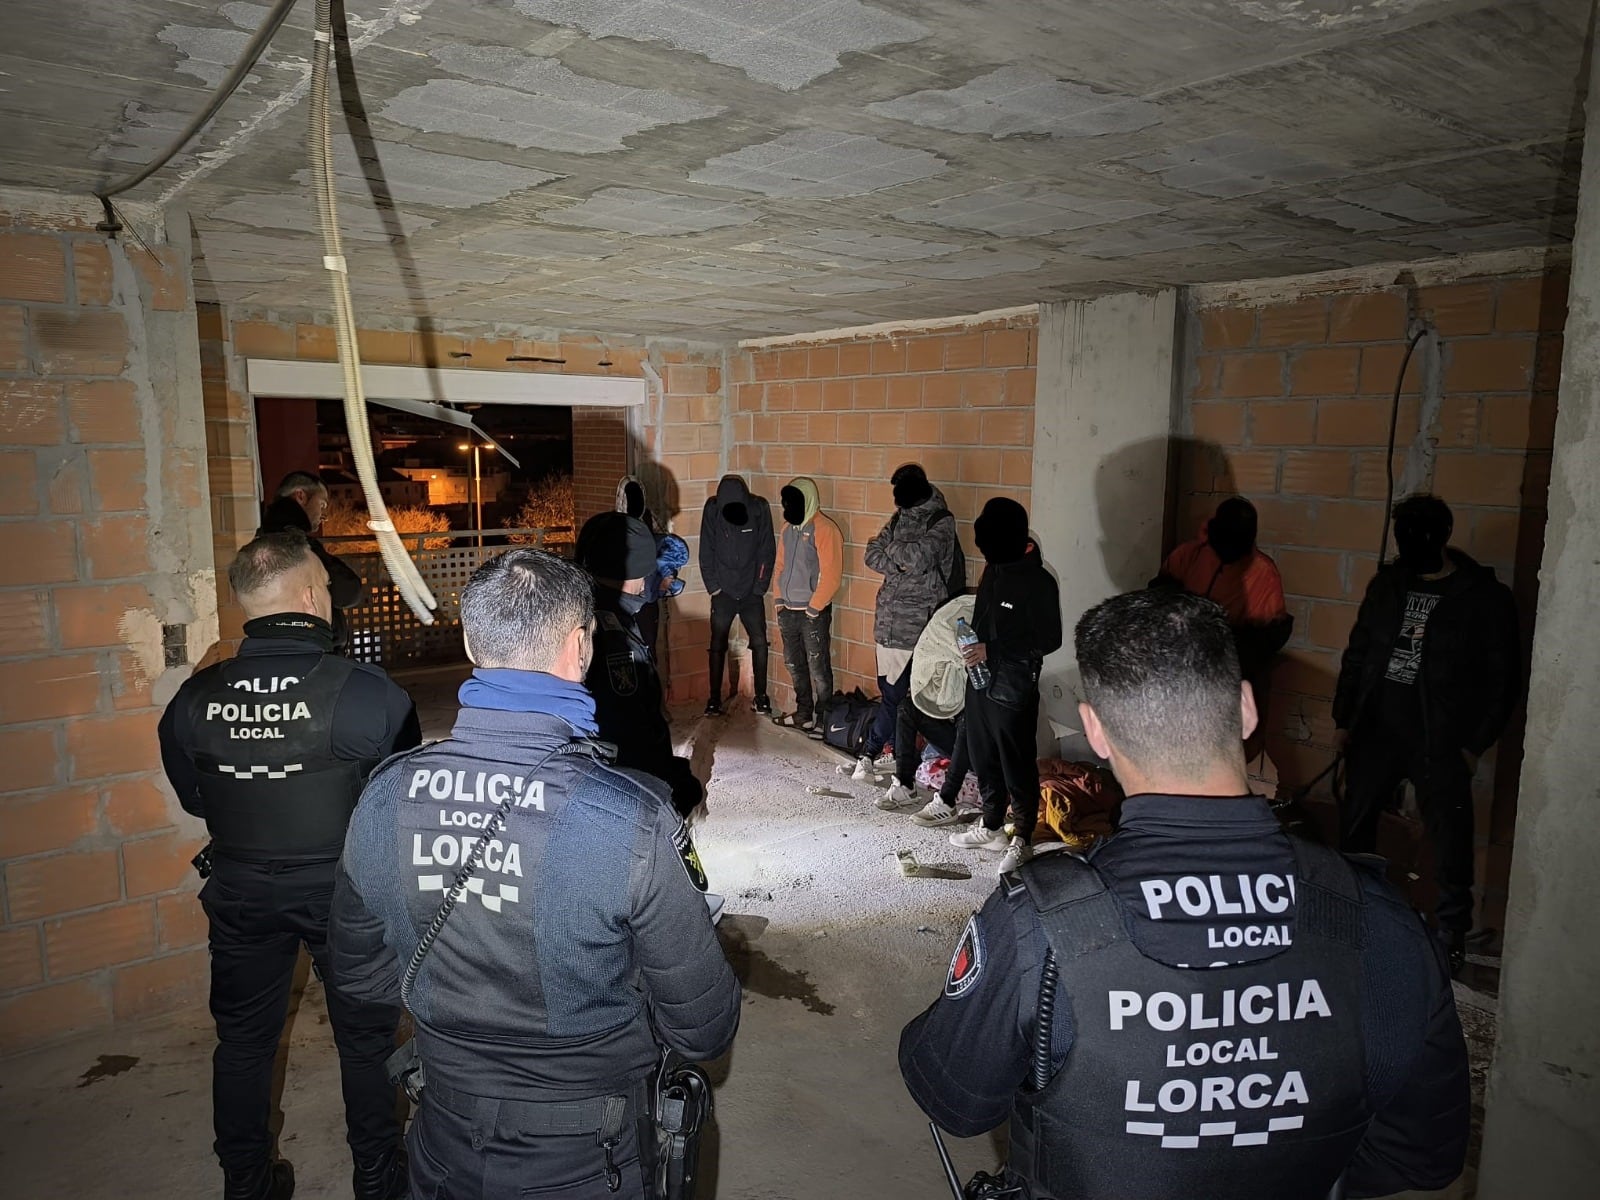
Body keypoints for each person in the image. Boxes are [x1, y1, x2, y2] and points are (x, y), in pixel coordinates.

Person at [901, 589, 1470, 1200]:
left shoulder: (1039, 921)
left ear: (1094, 730)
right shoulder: (1381, 922)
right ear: (1247, 710)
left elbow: (956, 1101)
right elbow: (1425, 1156)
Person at [329, 549, 741, 1199]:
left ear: (470, 641)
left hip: (441, 1146)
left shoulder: (386, 797)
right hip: (590, 1162)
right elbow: (704, 1026)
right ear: (580, 646)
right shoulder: (630, 818)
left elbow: (359, 977)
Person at [157, 530, 420, 1200]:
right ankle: (378, 1177)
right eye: (327, 588)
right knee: (365, 1043)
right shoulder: (367, 694)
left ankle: (246, 1185)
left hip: (240, 888)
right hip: (347, 896)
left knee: (243, 1043)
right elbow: (399, 801)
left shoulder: (193, 699)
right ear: (308, 595)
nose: (330, 598)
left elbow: (196, 798)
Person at [1333, 494, 1520, 970]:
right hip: (1377, 726)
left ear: (1441, 536)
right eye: (1403, 534)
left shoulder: (1482, 597)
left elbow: (1503, 680)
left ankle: (1451, 936)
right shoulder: (1389, 584)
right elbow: (1358, 652)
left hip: (1440, 735)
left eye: (1419, 534)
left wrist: (1473, 745)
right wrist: (1343, 719)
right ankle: (1352, 920)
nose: (1409, 543)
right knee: (1356, 824)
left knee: (1450, 836)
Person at [947, 498, 1061, 875]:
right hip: (979, 680)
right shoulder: (994, 571)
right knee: (983, 755)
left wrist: (992, 650)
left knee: (1016, 761)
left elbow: (1049, 638)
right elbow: (984, 620)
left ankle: (1023, 838)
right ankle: (993, 825)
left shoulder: (1040, 581)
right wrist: (969, 642)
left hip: (1013, 686)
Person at [577, 511, 705, 819]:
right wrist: (672, 787)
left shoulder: (581, 610)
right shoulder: (614, 638)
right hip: (624, 805)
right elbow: (629, 733)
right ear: (639, 571)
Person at [1155, 497, 1292, 757]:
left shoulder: (1263, 573)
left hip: (1225, 676)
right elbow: (1160, 602)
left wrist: (1222, 653)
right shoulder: (1189, 555)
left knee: (1219, 752)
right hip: (1180, 670)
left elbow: (1266, 639)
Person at [861, 463, 961, 778]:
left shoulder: (941, 521)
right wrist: (901, 561)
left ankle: (872, 750)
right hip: (887, 620)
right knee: (887, 688)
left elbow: (921, 558)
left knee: (899, 696)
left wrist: (896, 554)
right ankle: (890, 748)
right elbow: (870, 554)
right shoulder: (899, 517)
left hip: (917, 624)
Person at [260, 470, 365, 652]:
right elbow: (348, 591)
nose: (323, 514)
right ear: (301, 496)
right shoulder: (296, 542)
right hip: (314, 651)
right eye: (322, 504)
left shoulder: (265, 537)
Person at [772, 476, 844, 738]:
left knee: (818, 668)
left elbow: (832, 574)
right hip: (787, 610)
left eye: (792, 502)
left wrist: (814, 608)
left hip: (811, 613)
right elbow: (779, 566)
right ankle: (803, 714)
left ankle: (823, 720)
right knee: (794, 664)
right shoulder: (787, 529)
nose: (787, 508)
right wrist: (778, 599)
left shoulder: (825, 529)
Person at [699, 474, 776, 717]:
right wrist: (714, 587)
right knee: (717, 644)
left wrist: (759, 587)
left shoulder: (758, 510)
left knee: (760, 642)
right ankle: (714, 700)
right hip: (723, 592)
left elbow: (767, 550)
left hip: (751, 591)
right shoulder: (712, 511)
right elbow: (705, 551)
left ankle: (761, 697)